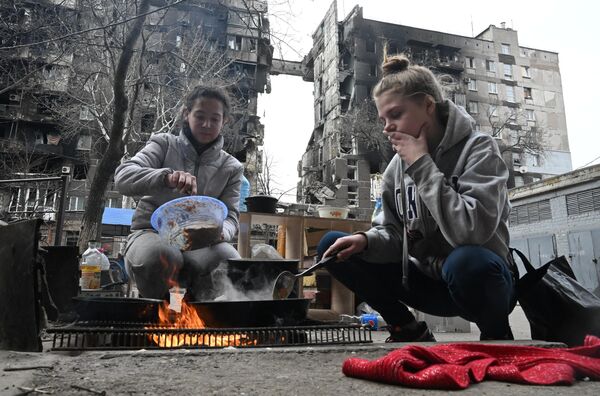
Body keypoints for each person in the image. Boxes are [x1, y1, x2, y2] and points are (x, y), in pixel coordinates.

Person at [319, 53, 516, 342]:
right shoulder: (396, 168)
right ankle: (405, 327)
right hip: (425, 283)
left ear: (427, 105)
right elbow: (394, 235)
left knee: (467, 261)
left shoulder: (479, 148)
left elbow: (471, 232)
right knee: (332, 247)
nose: (387, 127)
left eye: (396, 115)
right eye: (383, 118)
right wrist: (367, 241)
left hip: (481, 283)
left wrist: (422, 164)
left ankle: (496, 334)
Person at [114, 86, 244, 301]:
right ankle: (163, 316)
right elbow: (123, 177)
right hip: (151, 234)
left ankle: (200, 320)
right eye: (200, 116)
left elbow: (231, 216)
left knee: (230, 260)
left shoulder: (231, 167)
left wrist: (223, 232)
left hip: (202, 243)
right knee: (164, 256)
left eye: (215, 119)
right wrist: (165, 177)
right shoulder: (164, 144)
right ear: (186, 114)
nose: (206, 124)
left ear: (225, 121)